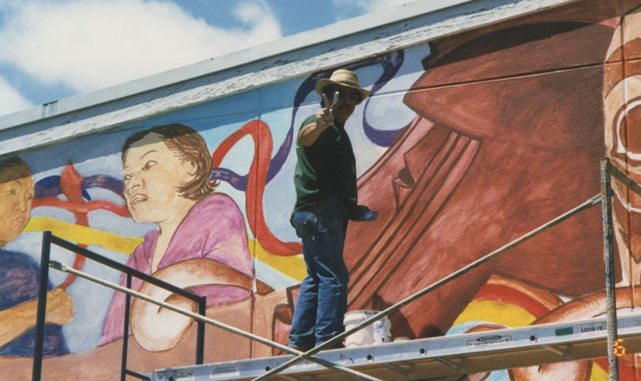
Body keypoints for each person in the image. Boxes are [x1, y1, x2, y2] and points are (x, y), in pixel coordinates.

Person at [100, 123, 270, 351]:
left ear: (190, 167)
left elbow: (232, 299)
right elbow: (113, 337)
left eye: (148, 165)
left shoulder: (216, 213)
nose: (132, 184)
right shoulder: (140, 256)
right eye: (128, 176)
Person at [287, 69, 376, 352]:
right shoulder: (322, 124)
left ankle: (300, 341)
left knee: (316, 277)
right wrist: (320, 123)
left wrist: (351, 207)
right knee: (334, 277)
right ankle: (328, 340)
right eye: (342, 95)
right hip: (321, 213)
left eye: (353, 97)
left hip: (316, 213)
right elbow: (307, 136)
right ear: (328, 97)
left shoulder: (337, 132)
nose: (348, 102)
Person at [0, 157, 74, 357]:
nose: (23, 207)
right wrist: (41, 310)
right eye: (12, 192)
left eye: (29, 197)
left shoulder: (25, 266)